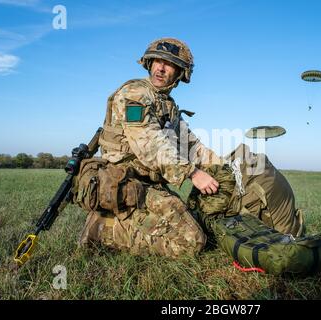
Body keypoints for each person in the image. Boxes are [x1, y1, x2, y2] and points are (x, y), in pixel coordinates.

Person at [77, 38, 223, 258]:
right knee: (191, 242)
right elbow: (150, 144)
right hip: (124, 181)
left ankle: (119, 219)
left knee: (191, 218)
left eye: (169, 64)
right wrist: (192, 173)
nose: (161, 68)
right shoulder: (135, 94)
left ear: (180, 74)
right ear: (149, 63)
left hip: (146, 182)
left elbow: (190, 145)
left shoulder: (168, 105)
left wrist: (223, 165)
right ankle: (104, 231)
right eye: (157, 61)